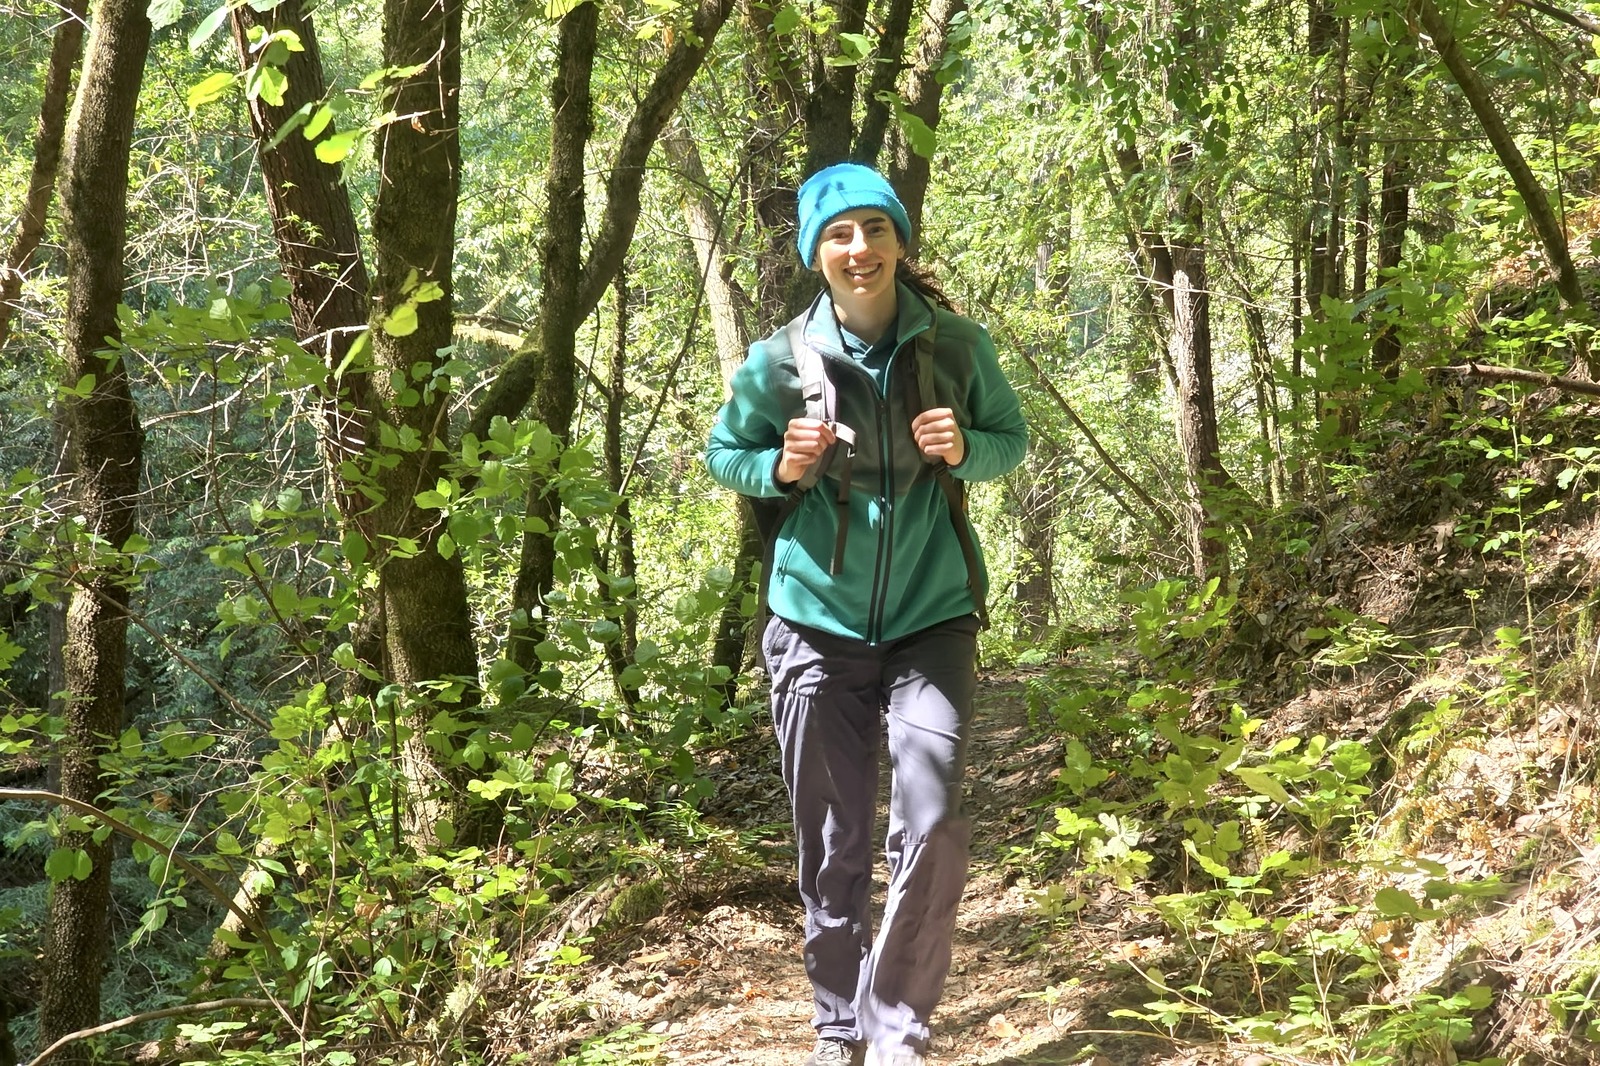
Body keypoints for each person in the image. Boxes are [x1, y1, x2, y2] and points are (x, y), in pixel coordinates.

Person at [704, 163, 1027, 1066]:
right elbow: (723, 451)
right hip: (814, 623)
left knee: (930, 819)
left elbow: (1010, 439)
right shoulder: (778, 361)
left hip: (933, 618)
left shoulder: (957, 345)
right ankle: (837, 1025)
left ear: (898, 243)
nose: (859, 249)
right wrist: (779, 468)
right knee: (834, 840)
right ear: (818, 253)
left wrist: (965, 448)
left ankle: (894, 1034)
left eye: (874, 231)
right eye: (839, 235)